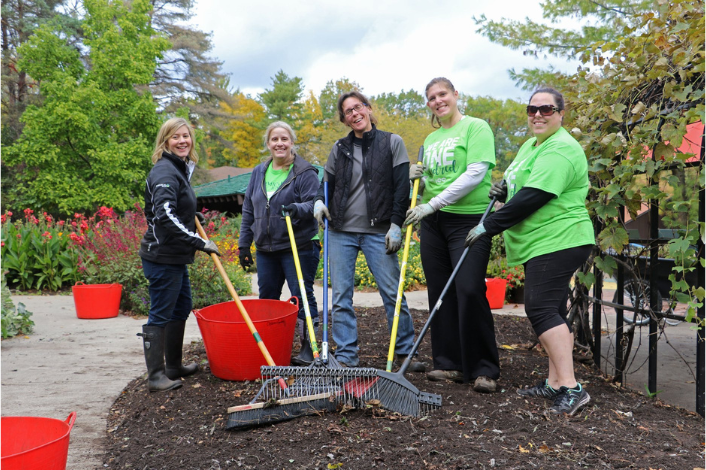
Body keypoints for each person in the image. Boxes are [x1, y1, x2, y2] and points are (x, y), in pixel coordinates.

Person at [464, 87, 595, 415]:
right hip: (542, 241)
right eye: (532, 109)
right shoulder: (531, 146)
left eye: (546, 109)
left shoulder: (561, 148)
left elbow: (534, 196)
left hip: (559, 239)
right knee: (552, 309)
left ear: (561, 113)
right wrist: (505, 187)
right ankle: (554, 383)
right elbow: (520, 183)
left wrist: (488, 226)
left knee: (539, 309)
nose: (538, 114)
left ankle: (571, 387)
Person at [314, 91, 424, 371]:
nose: (354, 113)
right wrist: (318, 200)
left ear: (368, 108)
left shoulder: (392, 142)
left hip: (379, 231)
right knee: (340, 296)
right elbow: (326, 182)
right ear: (345, 119)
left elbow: (401, 187)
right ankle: (348, 356)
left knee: (392, 292)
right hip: (341, 231)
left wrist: (397, 224)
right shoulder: (340, 148)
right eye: (348, 111)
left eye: (358, 107)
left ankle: (404, 351)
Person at [404, 77, 500, 393]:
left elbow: (475, 175)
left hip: (468, 221)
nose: (437, 100)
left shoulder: (476, 128)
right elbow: (433, 181)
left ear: (456, 95)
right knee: (441, 293)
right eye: (431, 97)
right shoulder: (431, 139)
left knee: (470, 288)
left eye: (442, 94)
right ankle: (449, 364)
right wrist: (414, 177)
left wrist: (430, 204)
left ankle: (484, 368)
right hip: (433, 224)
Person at [138, 117, 221, 392]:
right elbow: (163, 215)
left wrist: (190, 215)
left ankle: (173, 366)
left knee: (181, 307)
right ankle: (156, 376)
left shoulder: (178, 169)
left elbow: (174, 209)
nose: (182, 140)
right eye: (176, 137)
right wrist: (199, 242)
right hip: (161, 256)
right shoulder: (164, 171)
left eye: (186, 136)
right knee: (161, 313)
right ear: (165, 141)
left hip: (174, 256)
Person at [237, 121, 320, 365]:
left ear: (292, 142)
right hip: (266, 249)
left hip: (299, 245)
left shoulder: (305, 172)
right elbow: (249, 209)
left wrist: (297, 208)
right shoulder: (258, 172)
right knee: (268, 298)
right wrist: (244, 244)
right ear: (268, 144)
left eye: (284, 139)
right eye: (275, 139)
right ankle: (272, 345)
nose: (279, 143)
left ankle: (309, 347)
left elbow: (315, 203)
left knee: (301, 295)